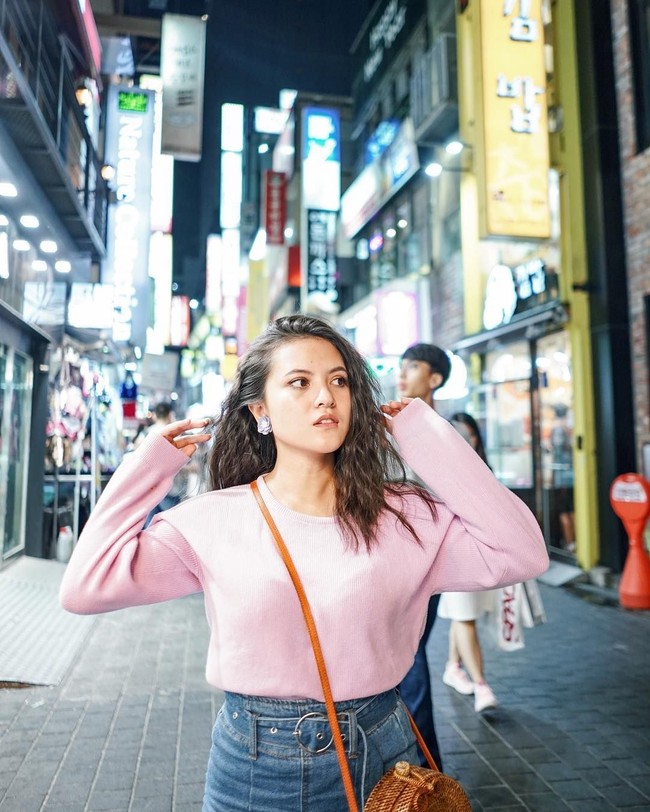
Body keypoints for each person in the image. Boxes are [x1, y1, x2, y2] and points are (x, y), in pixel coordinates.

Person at [60, 315, 548, 811]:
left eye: (339, 380)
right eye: (299, 382)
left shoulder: (404, 513)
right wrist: (146, 466)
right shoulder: (213, 519)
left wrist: (425, 437)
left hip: (386, 749)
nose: (325, 397)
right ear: (259, 408)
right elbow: (85, 587)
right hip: (258, 764)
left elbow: (523, 552)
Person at [395, 342, 451, 768]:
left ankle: (427, 770)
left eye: (413, 367)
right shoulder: (390, 426)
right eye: (402, 366)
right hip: (392, 558)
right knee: (406, 657)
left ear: (434, 379)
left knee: (410, 658)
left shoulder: (441, 430)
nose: (403, 373)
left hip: (426, 560)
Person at [439, 412, 499, 713]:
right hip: (456, 555)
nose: (464, 440)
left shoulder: (481, 469)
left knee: (463, 616)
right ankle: (481, 684)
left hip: (482, 554)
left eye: (468, 434)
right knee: (464, 617)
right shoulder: (442, 471)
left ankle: (453, 665)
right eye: (457, 435)